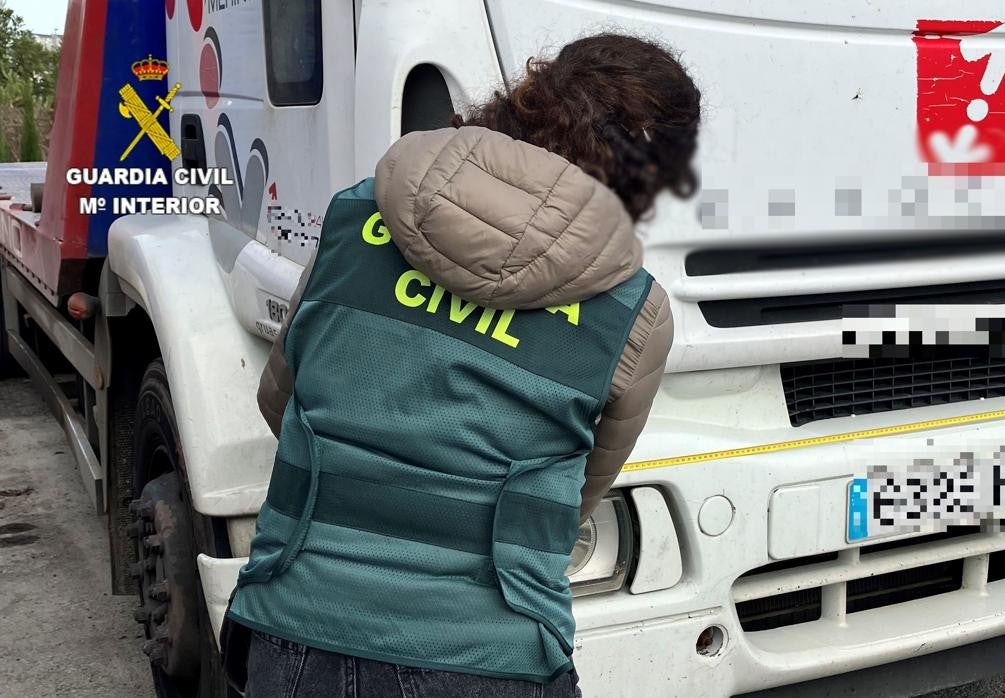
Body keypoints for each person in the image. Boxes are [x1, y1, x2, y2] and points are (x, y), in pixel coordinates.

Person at [220, 33, 702, 697]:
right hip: (488, 657)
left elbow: (282, 401)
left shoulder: (357, 215)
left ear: (531, 103)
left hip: (292, 629)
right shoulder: (633, 313)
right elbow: (571, 501)